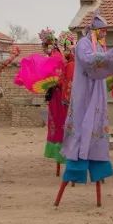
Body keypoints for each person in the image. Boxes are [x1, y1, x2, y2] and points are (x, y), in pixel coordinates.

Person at [55, 13, 113, 207]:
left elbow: (107, 65)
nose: (104, 33)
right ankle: (75, 171)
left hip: (98, 94)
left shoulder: (100, 45)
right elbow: (88, 61)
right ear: (94, 30)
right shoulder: (83, 44)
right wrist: (107, 55)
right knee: (80, 126)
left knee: (96, 129)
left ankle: (98, 170)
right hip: (84, 93)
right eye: (102, 30)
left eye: (105, 30)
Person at [36, 28, 69, 173]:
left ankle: (63, 155)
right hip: (55, 95)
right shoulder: (54, 56)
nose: (44, 49)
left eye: (45, 45)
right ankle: (59, 155)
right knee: (56, 122)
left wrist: (50, 82)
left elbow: (60, 78)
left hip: (60, 95)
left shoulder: (56, 57)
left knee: (61, 123)